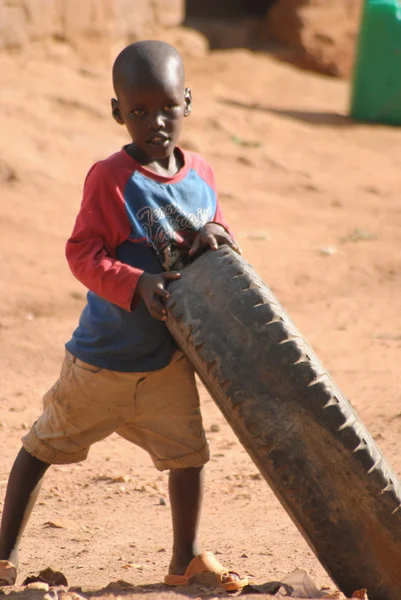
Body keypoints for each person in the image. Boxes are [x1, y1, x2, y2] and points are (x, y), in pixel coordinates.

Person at [0, 40, 248, 591]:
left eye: (166, 107)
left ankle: (185, 558)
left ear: (187, 101)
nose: (155, 122)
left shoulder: (200, 172)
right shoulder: (110, 179)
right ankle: (4, 552)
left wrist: (218, 233)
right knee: (42, 447)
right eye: (138, 111)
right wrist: (136, 284)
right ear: (118, 112)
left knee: (189, 457)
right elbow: (82, 253)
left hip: (166, 363)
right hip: (103, 361)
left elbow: (220, 238)